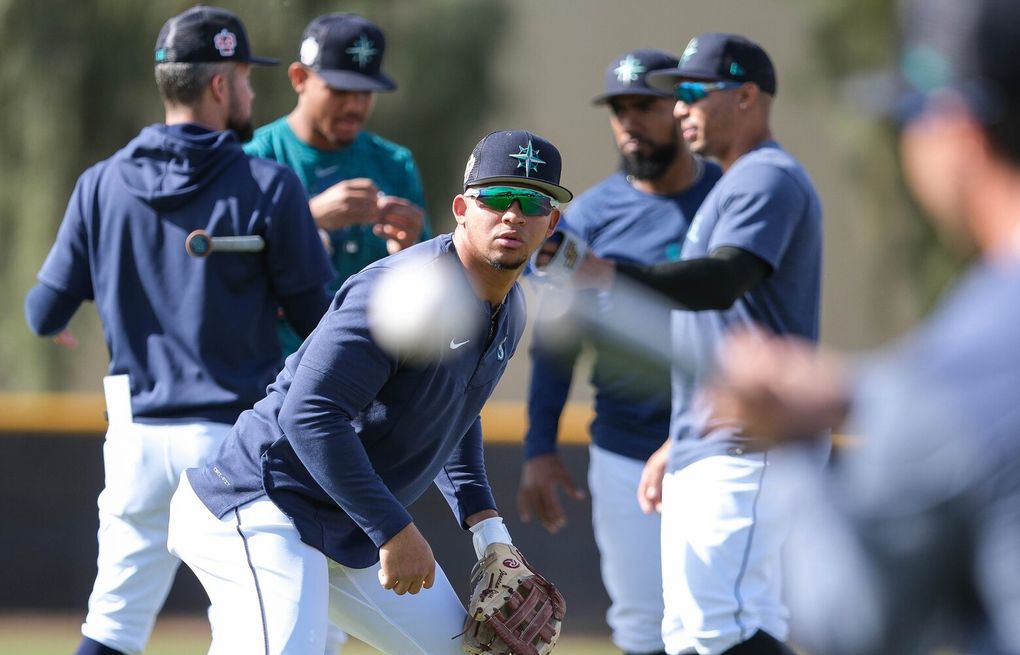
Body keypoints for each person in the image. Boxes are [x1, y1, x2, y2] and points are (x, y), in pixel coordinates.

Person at [166, 130, 571, 654]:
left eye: (534, 201)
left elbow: (458, 410)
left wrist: (488, 530)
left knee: (465, 651)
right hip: (262, 500)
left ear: (552, 221)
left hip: (345, 523)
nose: (513, 214)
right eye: (495, 197)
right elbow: (308, 414)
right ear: (461, 209)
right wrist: (393, 530)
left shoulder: (508, 308)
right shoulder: (401, 290)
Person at [703, 1, 1020, 653]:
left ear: (954, 126)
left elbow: (848, 623)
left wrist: (786, 445)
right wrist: (868, 390)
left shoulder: (949, 382)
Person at [23, 7, 334, 655]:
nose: (251, 92)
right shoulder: (267, 185)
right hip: (234, 447)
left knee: (111, 627)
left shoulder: (99, 183)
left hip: (135, 441)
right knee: (264, 631)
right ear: (220, 84)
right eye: (246, 78)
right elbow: (322, 326)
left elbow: (41, 314)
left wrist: (69, 321)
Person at [562, 33, 823, 654]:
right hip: (712, 438)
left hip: (748, 443)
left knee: (719, 628)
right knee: (690, 633)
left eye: (694, 94)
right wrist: (680, 438)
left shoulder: (768, 177)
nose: (679, 109)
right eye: (675, 97)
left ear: (748, 96)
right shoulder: (734, 182)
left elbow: (721, 281)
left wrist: (609, 273)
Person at [516, 48, 721, 655]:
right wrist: (539, 446)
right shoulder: (589, 217)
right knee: (640, 624)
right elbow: (559, 338)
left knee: (715, 623)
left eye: (647, 106)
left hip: (716, 447)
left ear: (681, 109)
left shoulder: (728, 198)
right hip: (625, 452)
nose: (631, 120)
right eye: (620, 108)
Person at [244, 12, 429, 357]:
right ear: (300, 78)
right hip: (268, 375)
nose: (354, 106)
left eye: (366, 92)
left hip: (362, 372)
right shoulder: (254, 158)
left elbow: (427, 295)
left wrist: (412, 249)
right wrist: (307, 217)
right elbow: (226, 274)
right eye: (340, 90)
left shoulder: (394, 165)